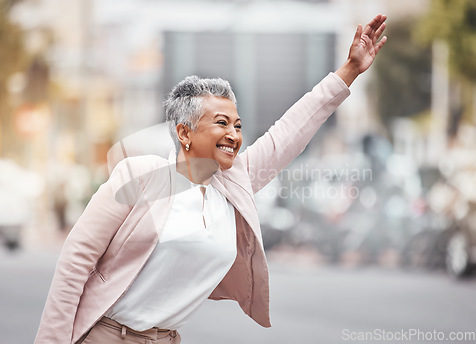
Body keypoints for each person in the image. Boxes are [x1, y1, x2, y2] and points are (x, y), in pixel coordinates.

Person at [35, 14, 387, 344]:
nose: (234, 134)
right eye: (221, 123)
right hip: (108, 336)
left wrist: (350, 70)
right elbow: (75, 261)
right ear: (184, 133)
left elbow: (290, 131)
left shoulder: (235, 182)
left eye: (237, 125)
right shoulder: (139, 176)